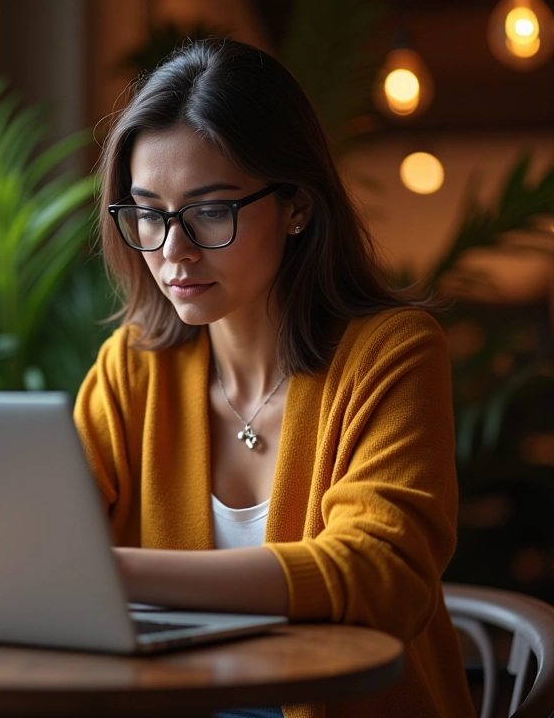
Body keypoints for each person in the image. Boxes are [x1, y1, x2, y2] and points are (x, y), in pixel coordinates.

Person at [74, 38, 475, 718]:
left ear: (297, 207)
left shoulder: (392, 353)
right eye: (147, 211)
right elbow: (43, 532)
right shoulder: (133, 367)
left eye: (210, 210)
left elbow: (379, 575)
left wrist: (110, 573)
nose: (173, 251)